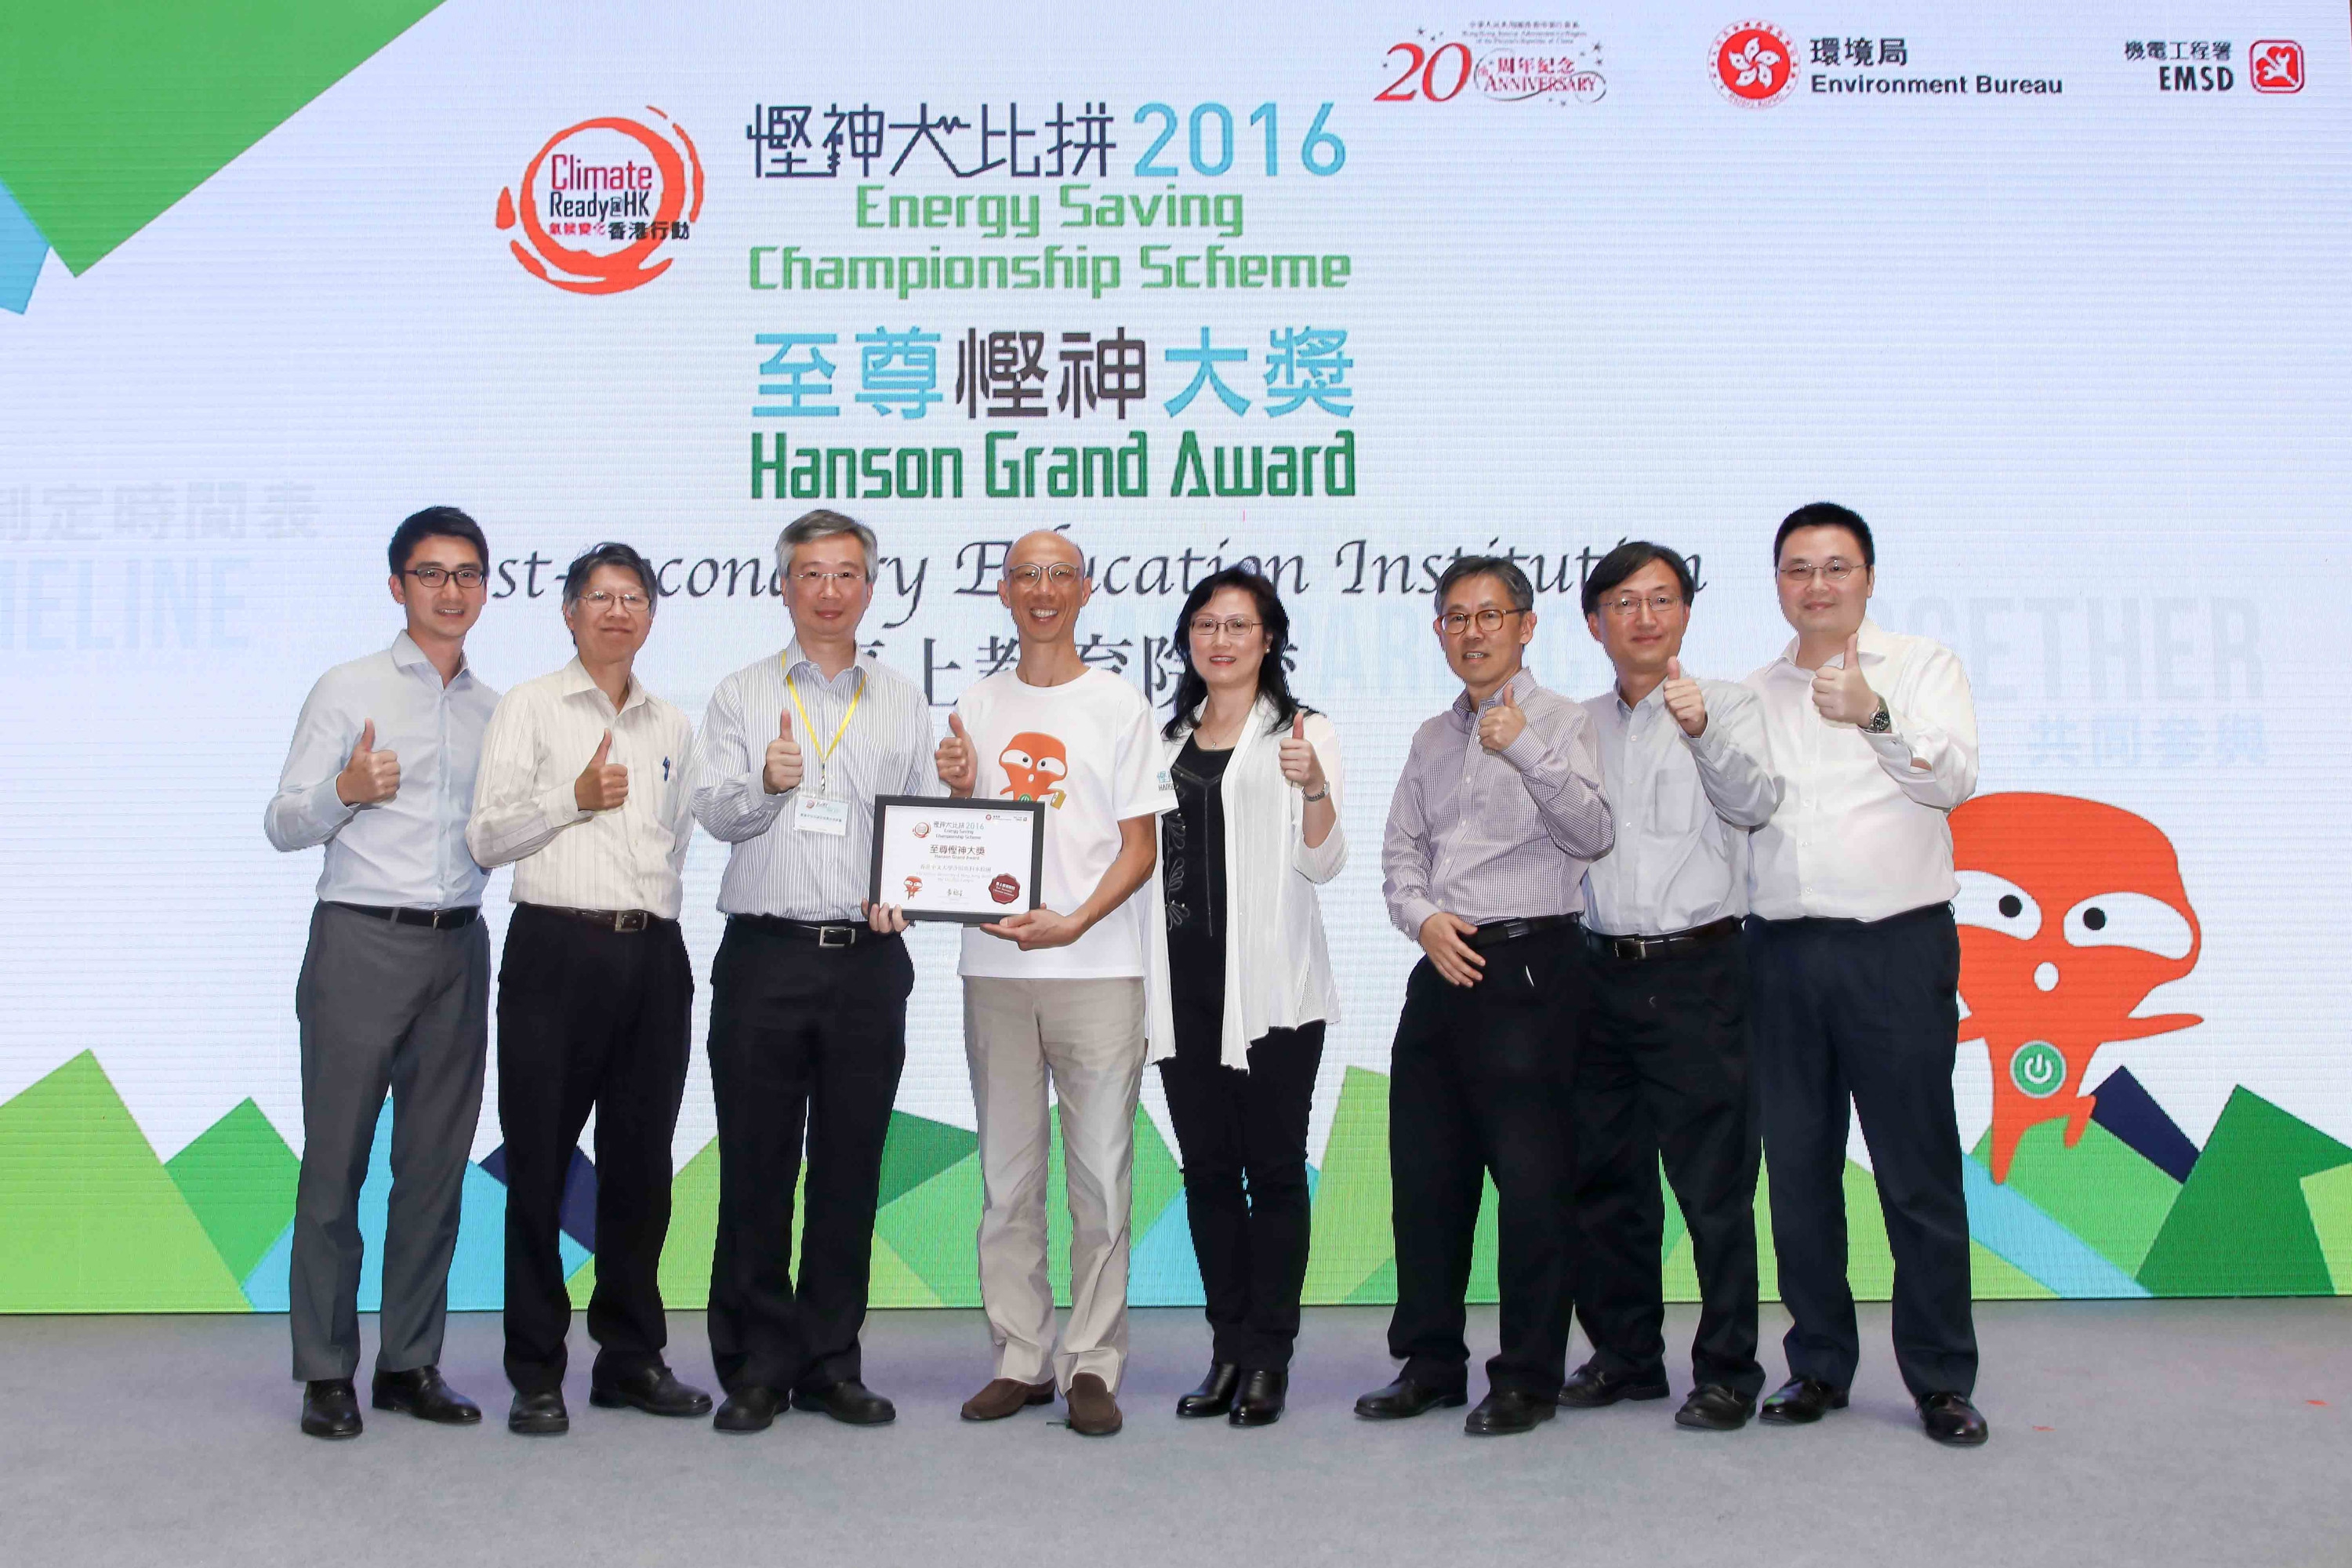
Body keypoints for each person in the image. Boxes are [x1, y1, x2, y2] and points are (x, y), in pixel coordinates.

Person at [1744, 502, 1988, 1446]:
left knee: (1916, 1173)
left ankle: (1940, 1378)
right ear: (1778, 584)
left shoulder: (1921, 667)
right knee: (1798, 1170)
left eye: (1835, 567)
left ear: (1869, 577)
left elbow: (1953, 780)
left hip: (1896, 946)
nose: (1817, 584)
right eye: (1798, 568)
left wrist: (1875, 716)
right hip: (1781, 952)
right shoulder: (1753, 692)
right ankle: (1817, 1367)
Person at [688, 510, 935, 1433]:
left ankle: (832, 1361)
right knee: (755, 1166)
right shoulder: (741, 694)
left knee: (848, 1167)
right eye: (811, 573)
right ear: (783, 586)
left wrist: (906, 887)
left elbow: (920, 825)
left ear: (870, 587)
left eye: (846, 573)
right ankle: (756, 1363)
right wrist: (767, 780)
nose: (829, 589)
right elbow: (713, 810)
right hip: (765, 956)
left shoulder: (905, 699)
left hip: (868, 962)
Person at [263, 506, 500, 1440]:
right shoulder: (347, 687)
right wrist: (342, 793)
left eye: (469, 574)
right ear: (396, 583)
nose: (452, 591)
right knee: (336, 1165)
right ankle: (327, 1369)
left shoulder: (497, 708)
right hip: (361, 940)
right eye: (432, 573)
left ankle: (409, 1360)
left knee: (434, 1169)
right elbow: (283, 820)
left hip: (461, 944)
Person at [1364, 555, 1613, 1437]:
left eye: (1490, 615)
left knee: (1535, 1185)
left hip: (1531, 967)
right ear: (1439, 631)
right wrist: (1423, 919)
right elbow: (1399, 853)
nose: (1473, 632)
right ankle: (1430, 1361)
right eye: (1456, 618)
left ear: (1526, 625)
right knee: (1425, 1180)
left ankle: (1526, 1375)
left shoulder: (1565, 721)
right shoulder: (1431, 737)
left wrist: (1526, 751)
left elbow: (1594, 830)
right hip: (1440, 964)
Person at [935, 529, 1175, 1438]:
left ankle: (1093, 1364)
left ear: (1086, 590)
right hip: (995, 969)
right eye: (1026, 574)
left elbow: (1139, 847)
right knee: (1006, 1178)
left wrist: (1074, 919)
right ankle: (1021, 1355)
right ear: (1002, 590)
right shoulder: (975, 701)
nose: (1042, 589)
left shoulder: (1120, 704)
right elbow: (962, 848)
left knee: (1103, 1179)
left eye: (1058, 575)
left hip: (1098, 967)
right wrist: (957, 790)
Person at [466, 541, 708, 1437]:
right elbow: (487, 838)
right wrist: (570, 797)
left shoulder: (673, 725)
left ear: (650, 614)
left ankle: (631, 1357)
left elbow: (674, 844)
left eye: (633, 597)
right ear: (569, 611)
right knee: (539, 1164)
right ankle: (535, 1369)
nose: (617, 611)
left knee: (642, 1171)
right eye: (600, 597)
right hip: (554, 953)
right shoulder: (529, 706)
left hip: (653, 957)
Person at [1565, 542, 1779, 1432]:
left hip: (1699, 971)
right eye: (1624, 601)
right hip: (1596, 973)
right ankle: (1626, 1355)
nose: (1643, 617)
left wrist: (1702, 732)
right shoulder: (1574, 724)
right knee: (1606, 1183)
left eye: (1661, 599)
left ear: (1686, 613)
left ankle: (1728, 1367)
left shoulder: (1727, 704)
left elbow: (1756, 802)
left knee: (1715, 1188)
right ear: (1595, 622)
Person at [1142, 568, 1345, 1428]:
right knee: (1208, 1174)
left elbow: (1325, 863)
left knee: (1273, 1170)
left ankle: (1271, 1354)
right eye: (1205, 625)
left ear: (1269, 638)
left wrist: (1314, 786)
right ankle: (1227, 1345)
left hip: (1271, 997)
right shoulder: (1164, 738)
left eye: (1239, 625)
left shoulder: (1304, 731)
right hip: (1181, 990)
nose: (1220, 640)